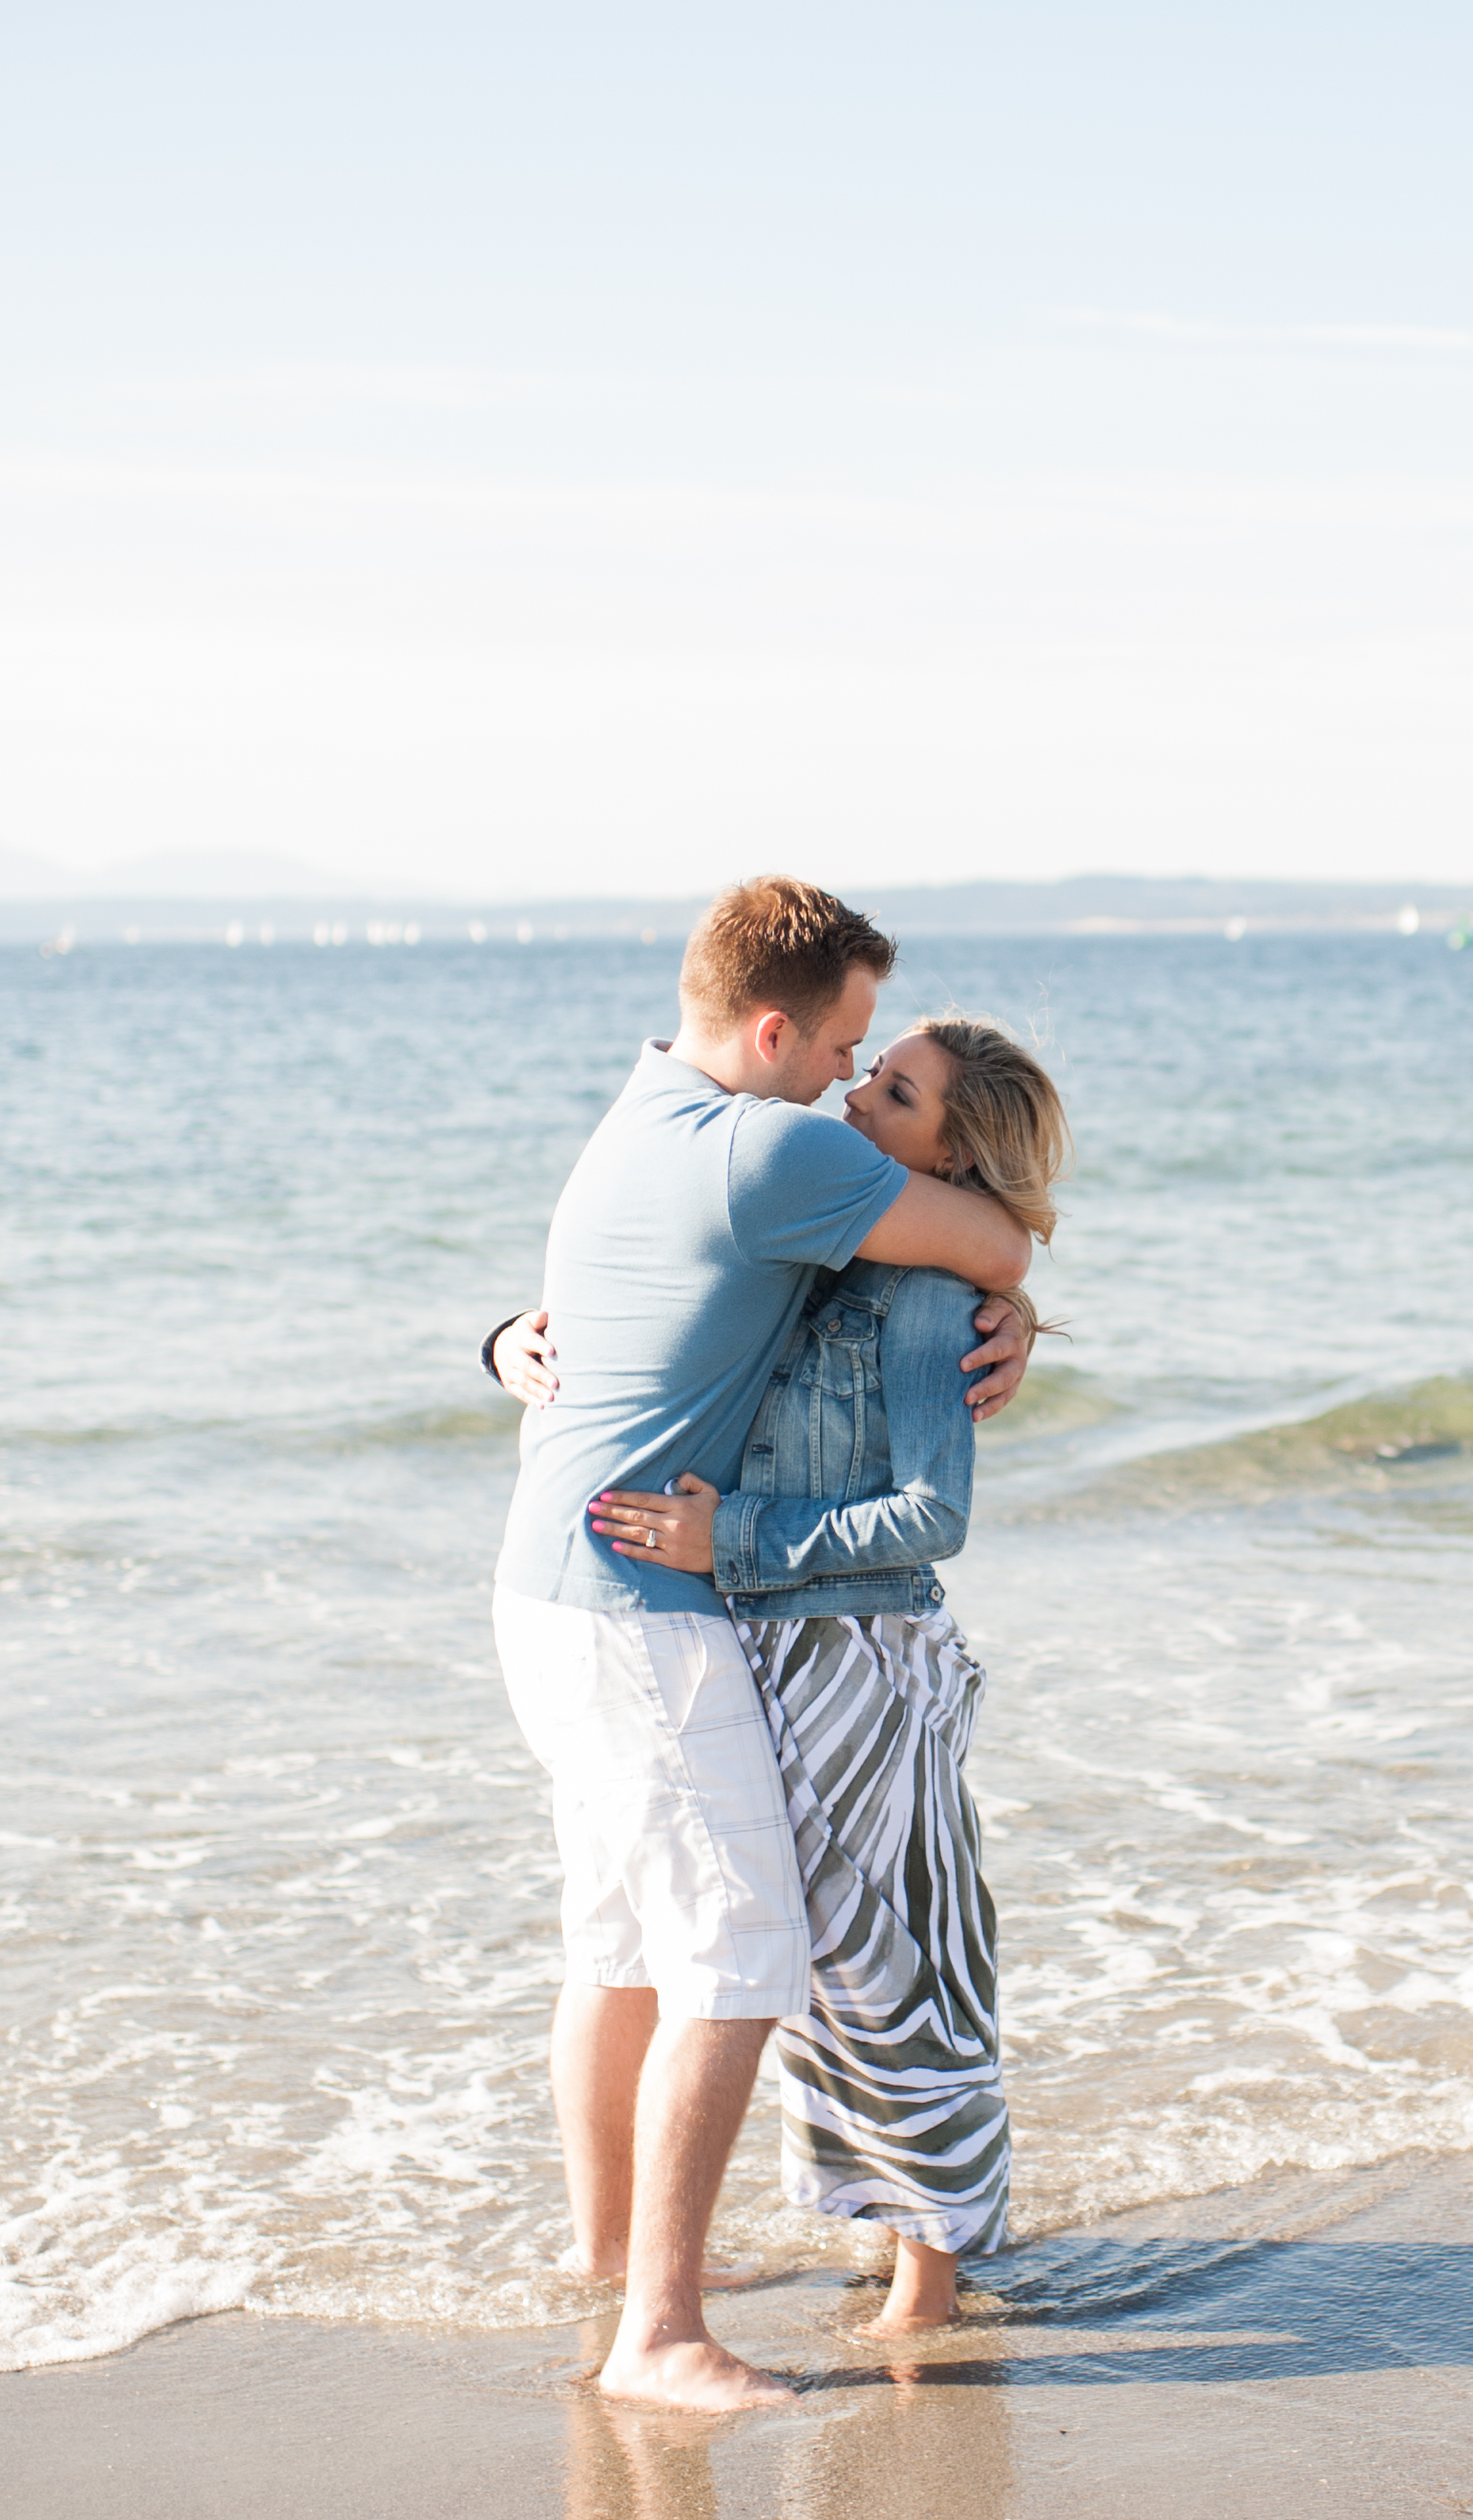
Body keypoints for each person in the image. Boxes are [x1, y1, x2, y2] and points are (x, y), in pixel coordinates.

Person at [483, 878, 1035, 2413]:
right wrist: (1019, 1292)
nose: (850, 1081)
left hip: (541, 1590)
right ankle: (656, 2334)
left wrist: (494, 1340)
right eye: (846, 1047)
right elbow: (981, 1227)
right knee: (737, 1954)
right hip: (637, 1615)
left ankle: (615, 2255)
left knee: (622, 1939)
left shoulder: (640, 1113)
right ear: (776, 1028)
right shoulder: (769, 1146)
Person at [575, 1016, 1067, 2339]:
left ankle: (933, 2275)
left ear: (950, 1149)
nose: (856, 1092)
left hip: (861, 1656)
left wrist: (728, 1538)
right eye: (865, 1065)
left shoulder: (922, 1298)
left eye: (893, 1090)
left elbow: (930, 1514)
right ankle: (895, 2234)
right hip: (774, 1649)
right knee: (832, 1970)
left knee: (905, 1960)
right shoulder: (829, 1243)